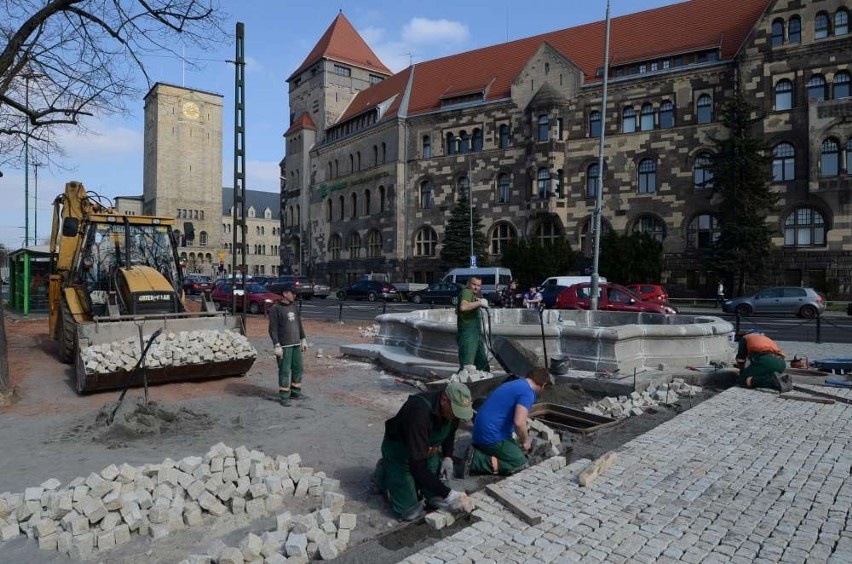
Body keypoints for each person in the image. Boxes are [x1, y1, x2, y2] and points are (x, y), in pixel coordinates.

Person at [374, 382, 475, 521]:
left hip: (427, 452)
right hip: (400, 452)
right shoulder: (419, 412)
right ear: (444, 400)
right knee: (408, 511)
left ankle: (416, 484)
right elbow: (418, 468)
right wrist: (451, 495)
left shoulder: (452, 412)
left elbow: (449, 433)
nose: (456, 416)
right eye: (455, 411)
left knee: (436, 499)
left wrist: (447, 457)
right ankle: (383, 473)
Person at [466, 367, 551, 476]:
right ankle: (475, 461)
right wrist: (525, 441)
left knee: (513, 450)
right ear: (543, 385)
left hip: (480, 431)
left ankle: (481, 452)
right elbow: (519, 422)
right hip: (491, 436)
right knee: (520, 463)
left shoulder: (516, 384)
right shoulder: (528, 392)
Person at [268, 283, 308, 406]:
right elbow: (272, 329)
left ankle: (295, 391)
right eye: (292, 293)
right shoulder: (276, 309)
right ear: (285, 293)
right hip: (284, 346)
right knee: (285, 370)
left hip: (295, 343)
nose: (295, 295)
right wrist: (276, 344)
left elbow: (298, 324)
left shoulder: (294, 307)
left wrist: (303, 338)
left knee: (298, 368)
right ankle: (284, 396)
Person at [456, 276, 490, 371]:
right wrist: (480, 303)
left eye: (478, 285)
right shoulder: (467, 292)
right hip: (468, 337)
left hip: (475, 336)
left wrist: (477, 301)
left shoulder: (473, 295)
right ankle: (460, 385)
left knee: (483, 366)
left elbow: (458, 310)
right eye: (474, 284)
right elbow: (463, 307)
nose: (476, 287)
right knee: (467, 368)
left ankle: (484, 384)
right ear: (468, 284)